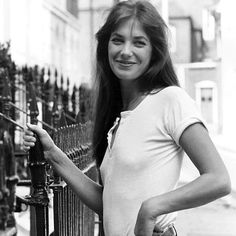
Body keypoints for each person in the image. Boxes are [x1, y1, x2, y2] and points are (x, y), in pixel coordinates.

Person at [23, 1, 231, 235]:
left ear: (155, 51)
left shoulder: (171, 100)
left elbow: (219, 179)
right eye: (118, 40)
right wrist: (53, 154)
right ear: (106, 46)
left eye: (139, 43)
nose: (125, 51)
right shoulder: (121, 117)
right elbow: (110, 206)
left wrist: (151, 209)